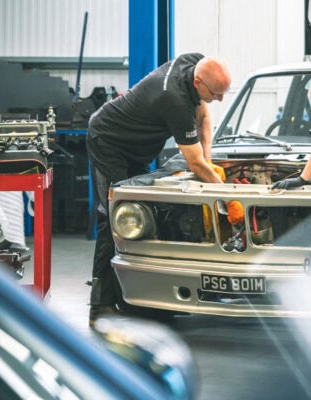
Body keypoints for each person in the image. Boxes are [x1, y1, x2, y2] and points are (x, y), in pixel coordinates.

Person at [86, 53, 231, 326]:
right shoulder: (172, 99)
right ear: (198, 82)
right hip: (108, 141)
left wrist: (210, 159)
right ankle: (100, 305)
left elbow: (202, 116)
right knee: (114, 218)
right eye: (217, 93)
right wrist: (227, 195)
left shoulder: (193, 62)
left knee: (146, 216)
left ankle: (141, 300)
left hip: (137, 148)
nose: (220, 99)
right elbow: (194, 162)